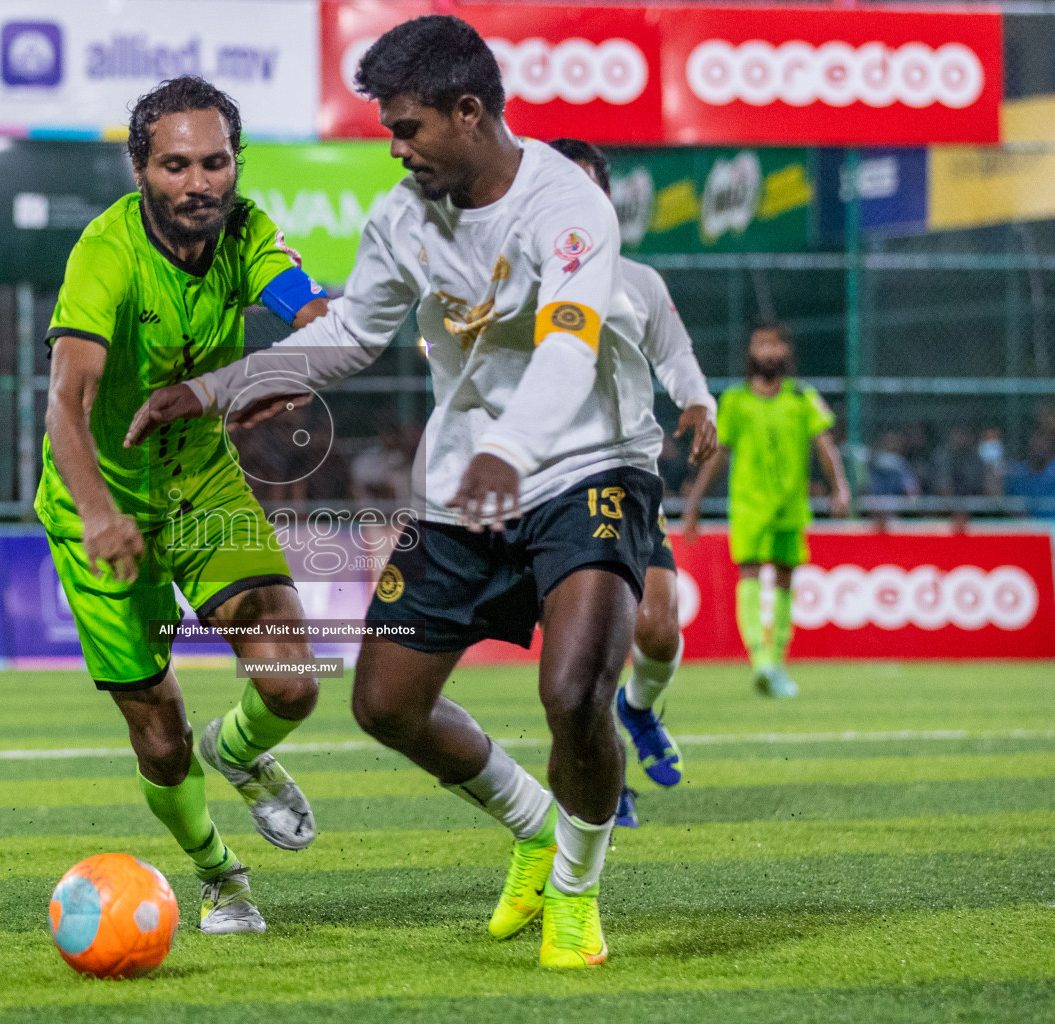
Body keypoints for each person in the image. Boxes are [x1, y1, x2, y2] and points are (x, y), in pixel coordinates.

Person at [128, 16, 661, 968]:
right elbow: (349, 335)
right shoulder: (401, 218)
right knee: (385, 704)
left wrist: (511, 448)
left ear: (470, 112)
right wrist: (215, 390)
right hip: (465, 488)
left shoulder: (570, 207)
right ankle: (535, 827)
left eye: (408, 128)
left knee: (574, 689)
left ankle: (577, 898)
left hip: (588, 465)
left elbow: (570, 346)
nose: (397, 147)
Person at [38, 76, 330, 935]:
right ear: (139, 169)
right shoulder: (106, 254)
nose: (198, 182)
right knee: (156, 729)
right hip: (101, 506)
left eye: (215, 162)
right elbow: (66, 403)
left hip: (202, 484)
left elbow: (313, 318)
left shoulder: (249, 230)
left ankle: (236, 753)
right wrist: (96, 512)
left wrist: (287, 367)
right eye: (175, 165)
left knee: (291, 681)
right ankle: (219, 874)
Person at [548, 138, 719, 830]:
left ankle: (640, 712)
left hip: (630, 477)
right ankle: (603, 778)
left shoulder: (637, 281)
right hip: (555, 486)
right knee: (594, 647)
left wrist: (699, 402)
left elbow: (674, 356)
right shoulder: (520, 278)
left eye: (590, 191)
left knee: (658, 627)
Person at [682, 323, 851, 697]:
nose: (769, 351)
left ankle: (776, 663)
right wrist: (694, 504)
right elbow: (717, 455)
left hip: (791, 506)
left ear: (787, 351)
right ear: (750, 352)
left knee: (786, 579)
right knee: (752, 573)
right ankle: (761, 659)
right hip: (749, 507)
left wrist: (840, 486)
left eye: (775, 344)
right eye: (761, 344)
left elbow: (825, 445)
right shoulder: (735, 401)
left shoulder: (802, 398)